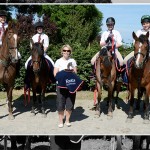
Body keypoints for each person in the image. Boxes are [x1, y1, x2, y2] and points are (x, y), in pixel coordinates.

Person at [54, 44, 83, 128]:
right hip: (60, 86)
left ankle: (67, 120)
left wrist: (70, 74)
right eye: (64, 50)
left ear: (70, 52)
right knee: (60, 104)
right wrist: (64, 73)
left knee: (70, 104)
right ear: (62, 52)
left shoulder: (73, 61)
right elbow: (55, 74)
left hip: (71, 85)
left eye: (68, 51)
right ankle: (60, 121)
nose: (66, 52)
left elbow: (75, 73)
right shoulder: (58, 61)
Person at [91, 17, 123, 81]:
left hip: (114, 49)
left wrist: (113, 46)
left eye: (111, 24)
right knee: (92, 60)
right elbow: (101, 44)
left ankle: (119, 76)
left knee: (121, 61)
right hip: (104, 50)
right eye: (108, 24)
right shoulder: (104, 33)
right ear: (106, 25)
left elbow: (120, 43)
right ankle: (94, 74)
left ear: (113, 24)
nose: (110, 26)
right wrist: (106, 41)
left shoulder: (117, 32)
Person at [24, 21, 55, 88]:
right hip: (35, 55)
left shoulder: (45, 36)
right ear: (36, 29)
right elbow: (32, 47)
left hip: (43, 54)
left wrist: (42, 53)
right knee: (26, 64)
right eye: (38, 28)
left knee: (52, 63)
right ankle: (27, 80)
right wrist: (35, 54)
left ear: (42, 28)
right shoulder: (33, 37)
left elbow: (46, 46)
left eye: (40, 28)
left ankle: (52, 79)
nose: (39, 29)